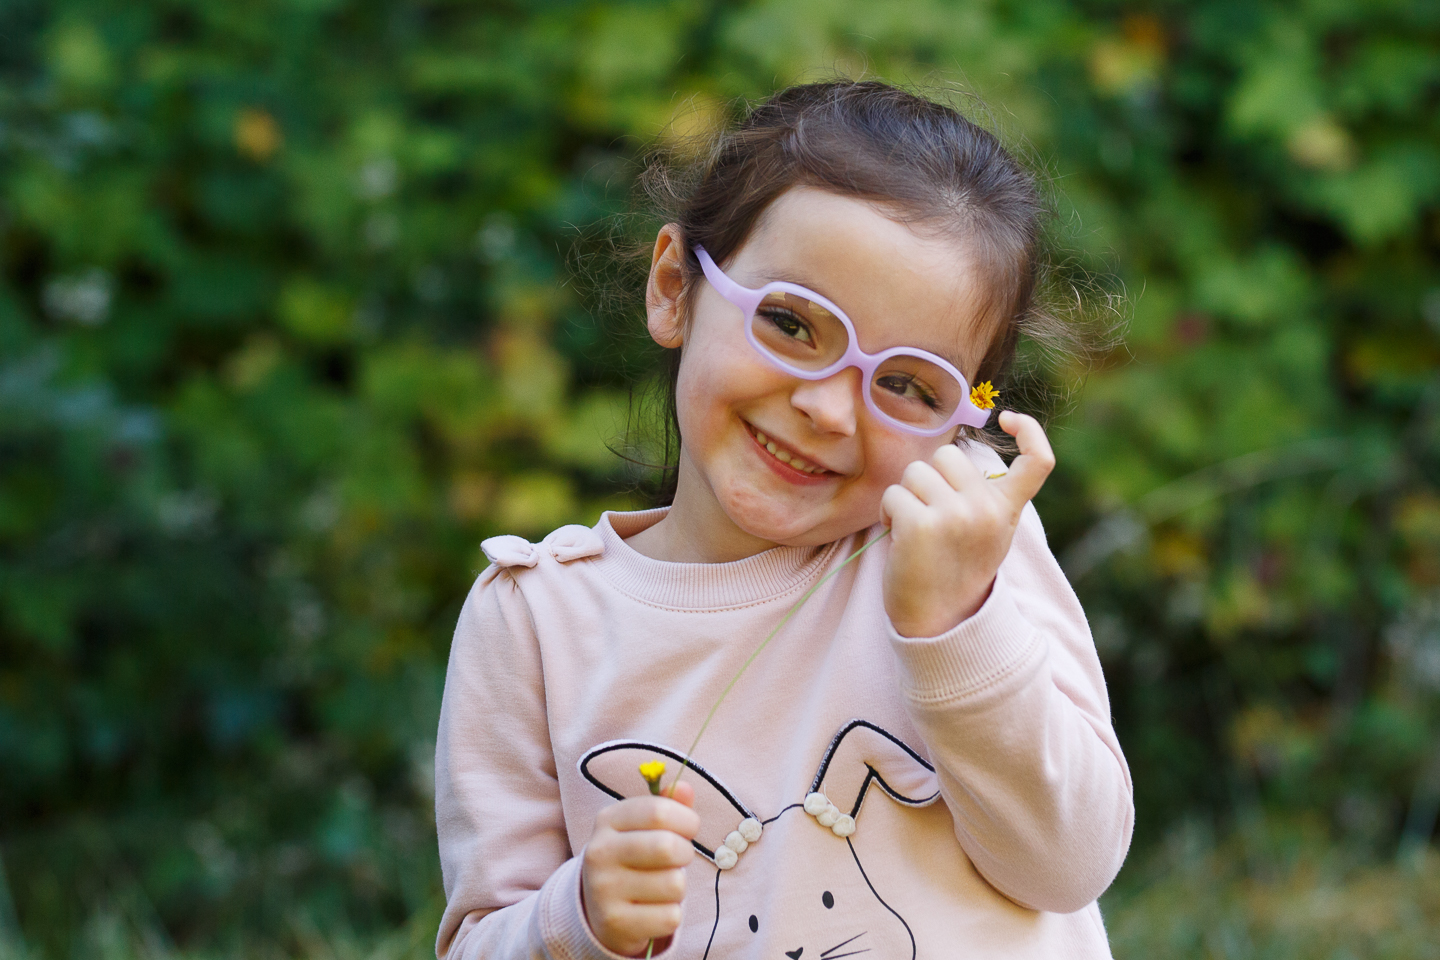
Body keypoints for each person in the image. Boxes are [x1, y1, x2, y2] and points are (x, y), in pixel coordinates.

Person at [435, 80, 1132, 960]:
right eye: (793, 325)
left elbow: (1069, 865)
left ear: (961, 420)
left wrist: (953, 623)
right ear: (674, 287)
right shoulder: (537, 623)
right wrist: (577, 915)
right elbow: (480, 939)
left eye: (906, 384)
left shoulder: (961, 543)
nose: (830, 410)